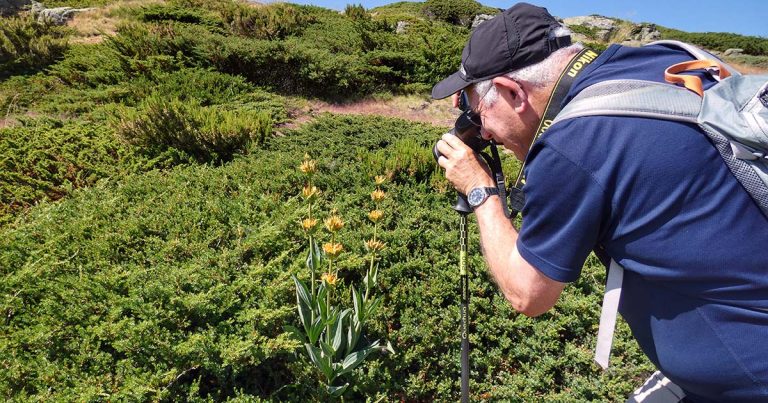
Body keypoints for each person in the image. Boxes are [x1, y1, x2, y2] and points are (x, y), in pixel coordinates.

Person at [432, 2, 768, 402]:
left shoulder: (575, 145)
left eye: (478, 109)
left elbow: (528, 294)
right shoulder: (661, 58)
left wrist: (479, 189)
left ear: (511, 91)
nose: (482, 131)